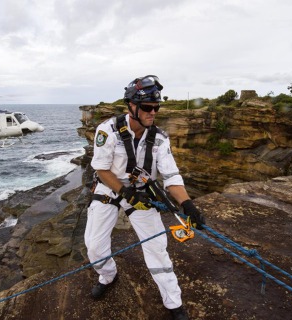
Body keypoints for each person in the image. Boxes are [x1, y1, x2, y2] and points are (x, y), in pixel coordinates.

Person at [84, 75, 205, 320]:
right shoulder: (107, 131)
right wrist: (124, 191)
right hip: (110, 187)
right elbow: (101, 169)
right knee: (95, 246)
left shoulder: (160, 138)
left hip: (141, 190)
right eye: (148, 107)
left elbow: (171, 176)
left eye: (156, 107)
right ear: (132, 106)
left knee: (157, 246)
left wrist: (187, 205)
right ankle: (108, 275)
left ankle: (174, 303)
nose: (153, 112)